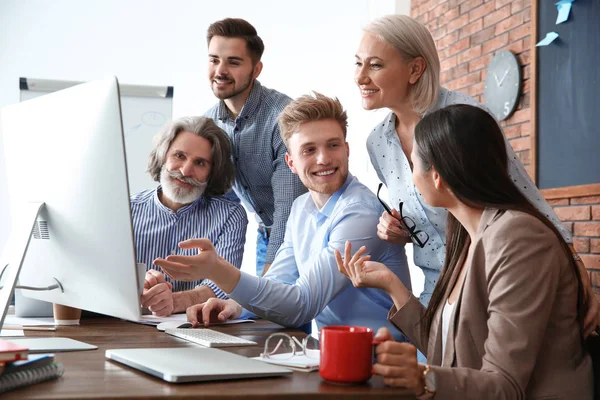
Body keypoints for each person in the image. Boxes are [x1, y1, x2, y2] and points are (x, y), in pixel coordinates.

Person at [354, 14, 599, 332]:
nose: (361, 77)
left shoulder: (464, 118)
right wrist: (398, 227)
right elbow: (425, 211)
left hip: (493, 285)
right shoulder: (377, 142)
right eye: (357, 63)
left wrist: (577, 269)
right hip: (436, 292)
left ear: (415, 69)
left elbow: (521, 193)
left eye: (375, 65)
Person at [337, 104, 594, 399]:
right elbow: (447, 352)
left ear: (437, 177)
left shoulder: (519, 238)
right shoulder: (465, 235)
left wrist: (424, 378)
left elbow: (505, 386)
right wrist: (391, 285)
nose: (411, 178)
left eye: (413, 164)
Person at [154, 93, 411, 337]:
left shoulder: (360, 212)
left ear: (346, 150)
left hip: (388, 362)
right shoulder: (301, 207)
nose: (323, 159)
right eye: (309, 150)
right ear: (291, 163)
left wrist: (216, 269)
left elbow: (301, 305)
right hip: (339, 356)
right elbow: (280, 279)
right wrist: (235, 306)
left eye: (332, 146)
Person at [204, 18, 307, 277]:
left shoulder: (283, 117)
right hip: (265, 235)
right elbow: (219, 202)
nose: (220, 70)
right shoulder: (209, 125)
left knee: (278, 313)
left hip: (302, 236)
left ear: (256, 69)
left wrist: (270, 277)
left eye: (233, 62)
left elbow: (288, 208)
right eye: (214, 59)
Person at [135, 116, 247, 317]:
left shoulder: (230, 216)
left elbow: (223, 284)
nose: (186, 171)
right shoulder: (128, 209)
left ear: (212, 172)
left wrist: (173, 301)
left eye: (200, 163)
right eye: (179, 155)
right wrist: (137, 285)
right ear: (163, 156)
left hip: (195, 329)